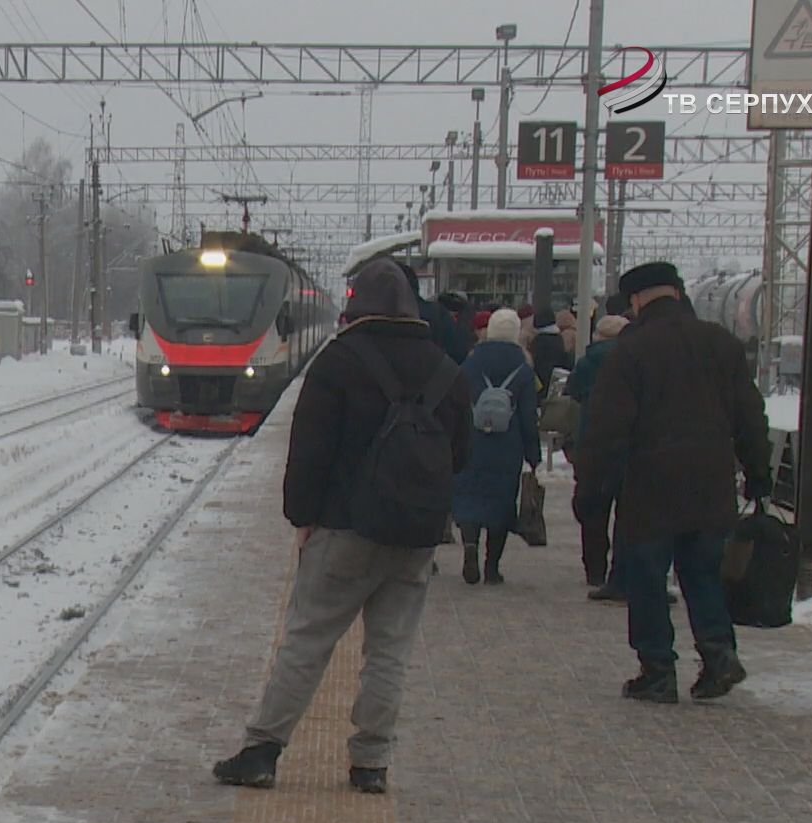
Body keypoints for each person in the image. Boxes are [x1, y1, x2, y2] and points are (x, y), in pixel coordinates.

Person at [214, 258, 472, 795]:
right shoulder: (444, 367)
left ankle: (263, 750)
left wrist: (302, 518)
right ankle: (371, 764)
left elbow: (309, 451)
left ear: (356, 309)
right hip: (415, 541)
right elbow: (460, 455)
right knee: (390, 651)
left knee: (307, 641)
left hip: (344, 530)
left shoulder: (339, 362)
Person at [574, 262, 773, 704]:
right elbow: (750, 416)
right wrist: (759, 474)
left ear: (638, 300)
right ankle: (719, 655)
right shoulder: (721, 344)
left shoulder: (632, 351)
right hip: (710, 486)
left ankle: (658, 670)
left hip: (650, 490)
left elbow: (606, 432)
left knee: (646, 579)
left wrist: (591, 493)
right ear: (679, 294)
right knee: (702, 573)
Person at [452, 309, 540, 585]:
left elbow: (458, 406)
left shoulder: (470, 364)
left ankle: (469, 546)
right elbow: (528, 416)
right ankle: (492, 567)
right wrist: (533, 455)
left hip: (472, 442)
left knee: (469, 496)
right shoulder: (524, 369)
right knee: (501, 503)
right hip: (507, 446)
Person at [566, 314, 628, 595]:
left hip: (592, 443)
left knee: (593, 510)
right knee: (627, 512)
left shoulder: (587, 362)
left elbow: (574, 395)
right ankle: (622, 569)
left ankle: (594, 569)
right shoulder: (633, 360)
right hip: (627, 444)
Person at [529, 308, 571, 399]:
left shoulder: (538, 340)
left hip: (541, 380)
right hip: (556, 377)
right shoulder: (559, 338)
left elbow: (534, 361)